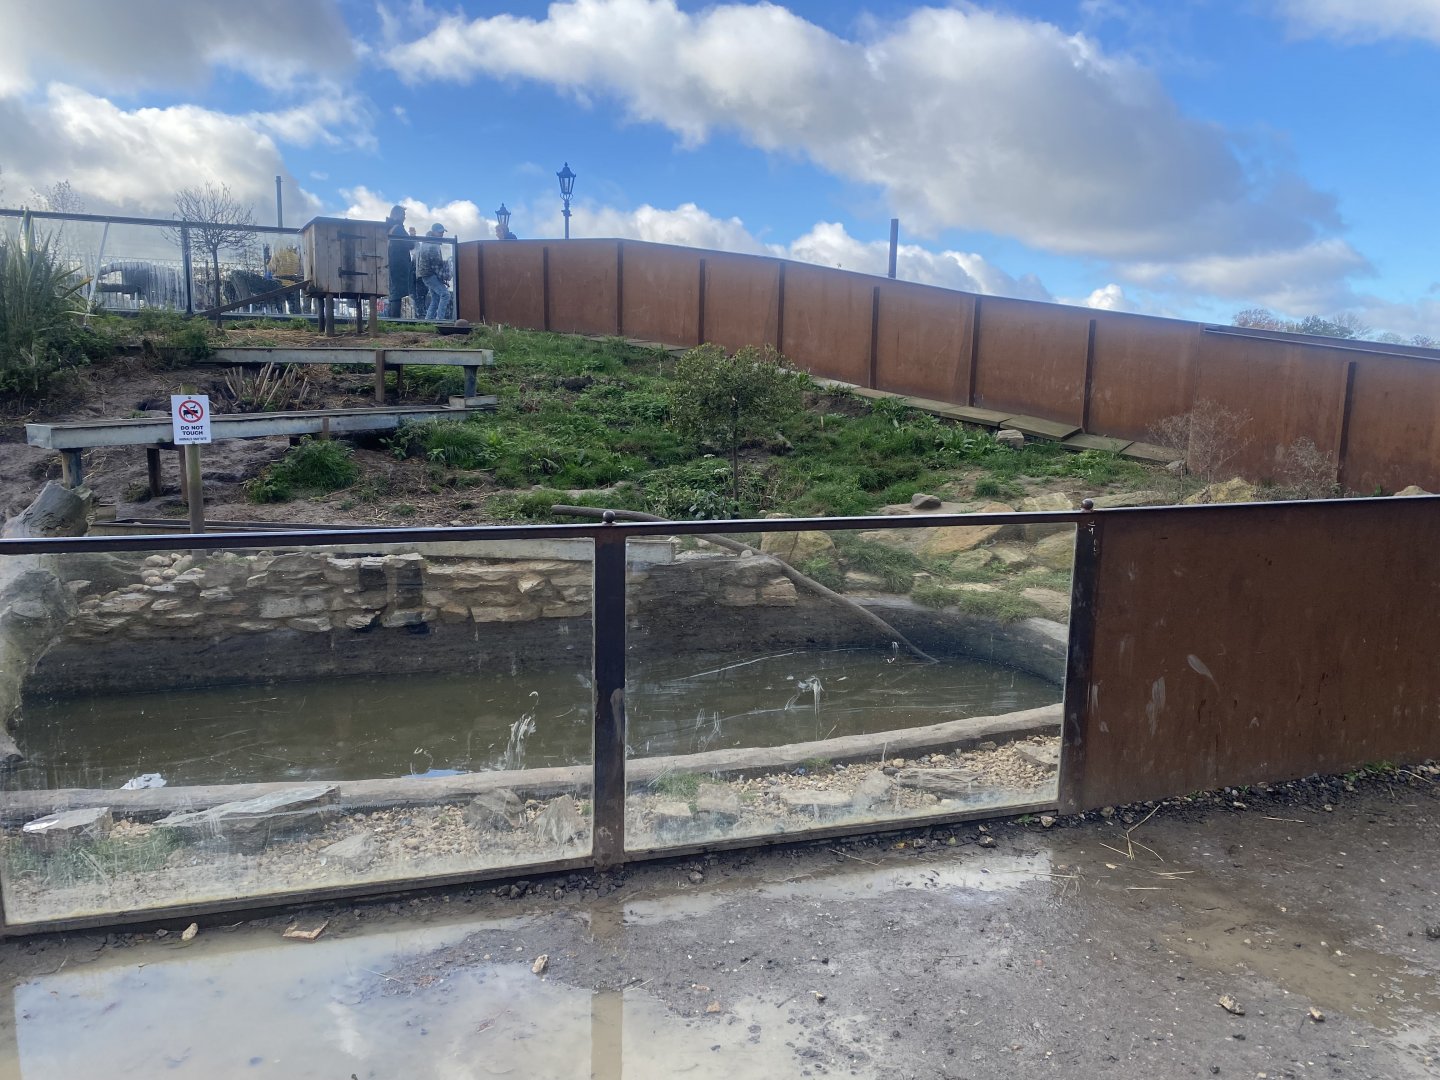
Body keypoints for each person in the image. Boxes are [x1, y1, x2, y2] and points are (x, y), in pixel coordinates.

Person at [417, 223, 452, 321]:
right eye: (440, 232)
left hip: (426, 275)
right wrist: (445, 277)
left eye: (442, 232)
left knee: (435, 299)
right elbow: (436, 266)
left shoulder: (426, 243)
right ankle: (440, 319)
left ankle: (428, 320)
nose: (442, 234)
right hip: (430, 274)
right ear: (433, 232)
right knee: (445, 295)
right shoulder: (433, 245)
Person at [385, 205, 413, 319]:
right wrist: (413, 236)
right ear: (397, 214)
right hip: (399, 265)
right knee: (398, 293)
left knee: (394, 293)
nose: (404, 217)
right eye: (403, 214)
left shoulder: (390, 228)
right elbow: (410, 245)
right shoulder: (398, 229)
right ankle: (395, 320)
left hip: (393, 264)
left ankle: (392, 320)